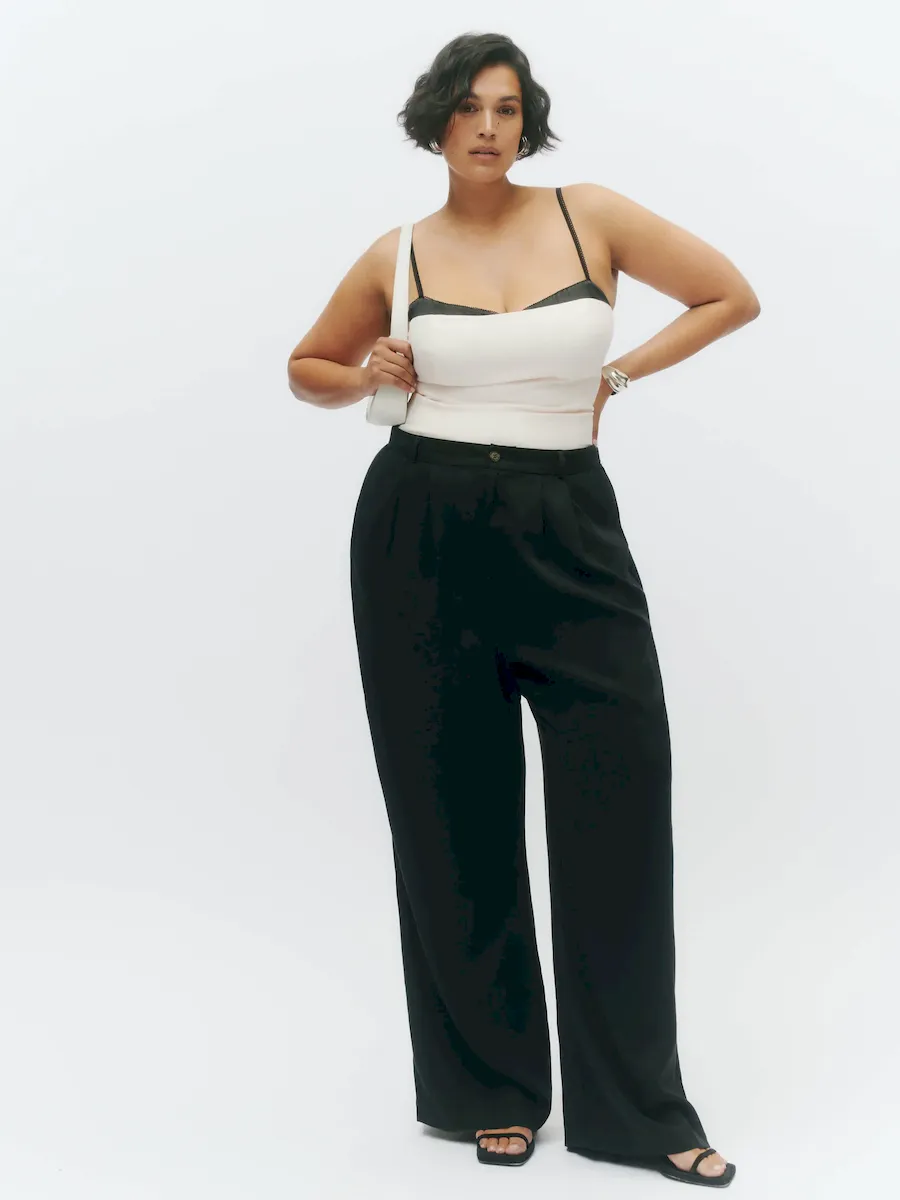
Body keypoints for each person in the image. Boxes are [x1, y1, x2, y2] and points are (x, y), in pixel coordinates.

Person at [287, 30, 759, 1189]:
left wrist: (617, 376)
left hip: (567, 522)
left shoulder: (589, 215)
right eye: (467, 107)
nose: (488, 126)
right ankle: (487, 1090)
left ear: (526, 121)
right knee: (452, 815)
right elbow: (307, 366)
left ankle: (638, 1111)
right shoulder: (397, 252)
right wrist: (365, 375)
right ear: (436, 123)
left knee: (619, 803)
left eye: (506, 107)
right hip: (418, 527)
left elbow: (729, 295)